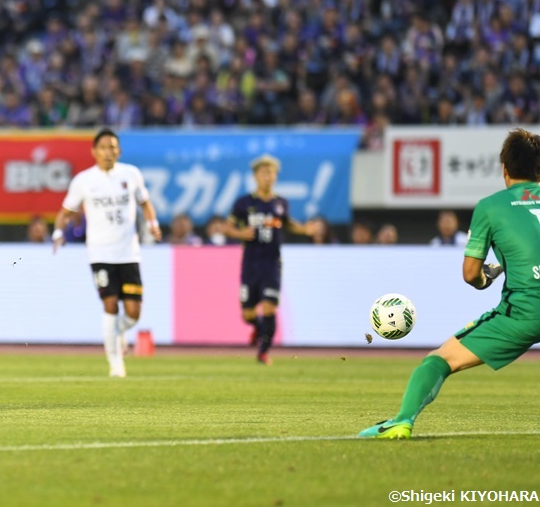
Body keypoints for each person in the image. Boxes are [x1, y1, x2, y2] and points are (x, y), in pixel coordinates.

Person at [359, 128, 540, 439]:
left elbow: (471, 274)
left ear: (504, 169)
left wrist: (487, 277)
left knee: (438, 360)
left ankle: (401, 422)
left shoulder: (491, 206)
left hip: (524, 313)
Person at [52, 128, 162, 377]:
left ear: (119, 151)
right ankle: (116, 364)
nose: (108, 152)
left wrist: (153, 225)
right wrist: (58, 233)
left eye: (112, 147)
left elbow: (146, 204)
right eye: (103, 147)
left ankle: (119, 332)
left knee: (133, 314)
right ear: (94, 152)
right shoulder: (83, 180)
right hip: (100, 253)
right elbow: (65, 212)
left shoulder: (131, 174)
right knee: (110, 304)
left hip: (128, 253)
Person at [224, 154, 315, 365]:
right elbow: (227, 226)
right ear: (255, 176)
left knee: (269, 308)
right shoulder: (244, 203)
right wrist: (239, 233)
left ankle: (263, 352)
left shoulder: (280, 203)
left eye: (272, 173)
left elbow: (287, 223)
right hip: (250, 264)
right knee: (247, 314)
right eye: (264, 172)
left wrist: (304, 229)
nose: (269, 176)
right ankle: (258, 328)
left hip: (272, 263)